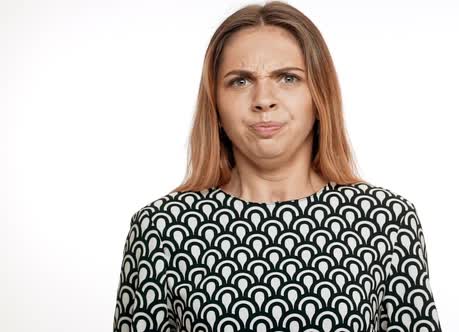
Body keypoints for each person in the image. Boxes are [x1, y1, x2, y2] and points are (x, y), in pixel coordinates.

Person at [112, 1, 442, 331]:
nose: (263, 99)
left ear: (319, 97)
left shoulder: (385, 221)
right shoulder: (161, 230)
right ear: (215, 105)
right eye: (240, 81)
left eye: (287, 78)